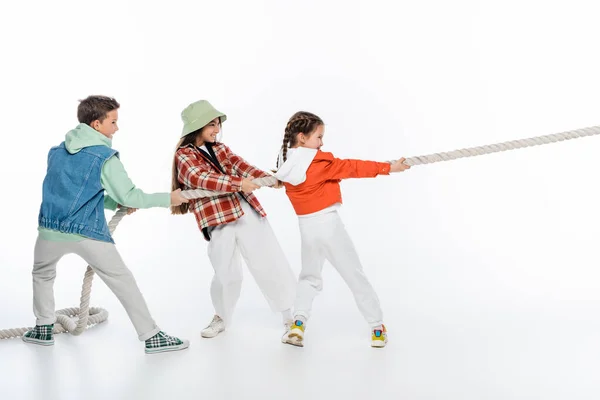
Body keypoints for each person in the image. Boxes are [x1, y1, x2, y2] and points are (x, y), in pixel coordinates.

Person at [24, 95, 190, 354]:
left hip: (48, 231)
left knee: (42, 274)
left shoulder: (56, 152)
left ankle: (43, 328)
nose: (117, 128)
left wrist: (115, 203)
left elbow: (75, 190)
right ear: (96, 124)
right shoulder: (105, 157)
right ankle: (151, 335)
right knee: (121, 279)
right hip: (86, 233)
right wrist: (170, 198)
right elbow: (130, 195)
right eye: (113, 122)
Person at [274, 111, 410, 348]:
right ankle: (377, 327)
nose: (322, 142)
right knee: (354, 275)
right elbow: (353, 167)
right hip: (329, 225)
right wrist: (389, 167)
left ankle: (298, 323)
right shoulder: (318, 161)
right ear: (302, 138)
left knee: (309, 276)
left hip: (306, 228)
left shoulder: (284, 164)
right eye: (319, 136)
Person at [171, 100, 296, 338]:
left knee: (268, 260)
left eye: (217, 124)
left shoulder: (221, 148)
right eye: (211, 124)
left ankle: (289, 316)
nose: (216, 130)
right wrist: (238, 183)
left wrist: (271, 179)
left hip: (244, 209)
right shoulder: (184, 155)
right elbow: (201, 178)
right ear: (197, 126)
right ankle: (221, 316)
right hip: (218, 218)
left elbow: (242, 166)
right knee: (225, 270)